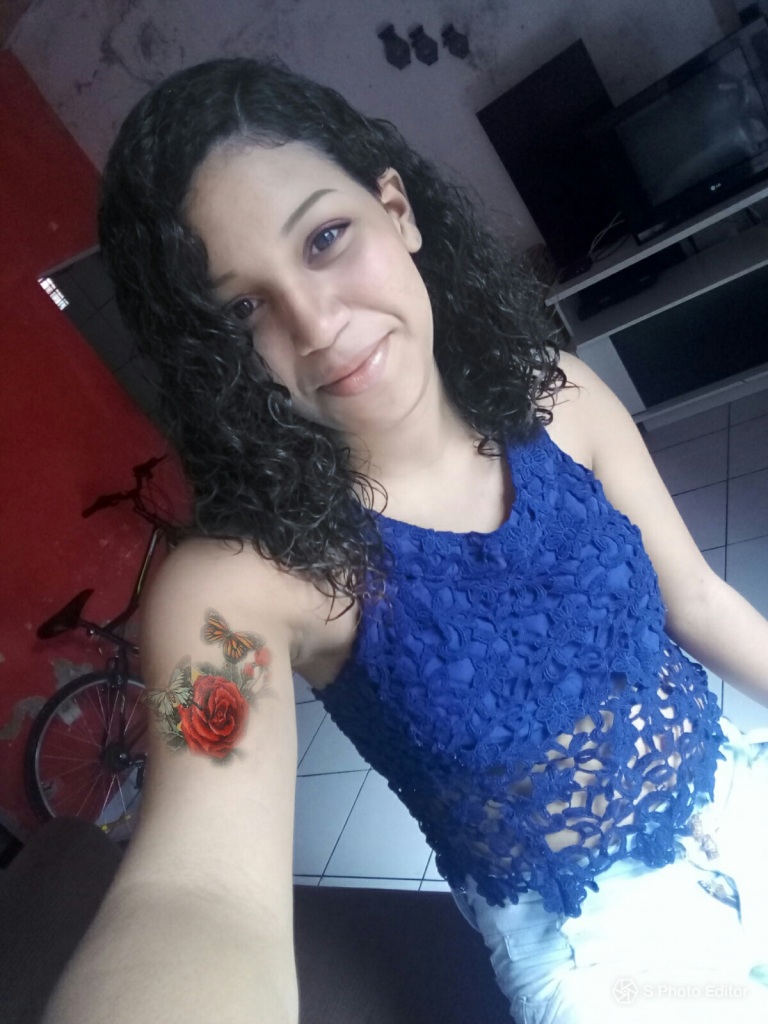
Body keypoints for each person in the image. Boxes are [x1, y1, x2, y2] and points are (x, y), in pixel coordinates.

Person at [43, 57, 768, 1024]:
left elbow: (700, 602)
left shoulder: (559, 396)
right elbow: (195, 894)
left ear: (396, 209)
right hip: (604, 950)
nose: (316, 322)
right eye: (243, 308)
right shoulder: (244, 588)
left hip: (734, 790)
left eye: (325, 238)